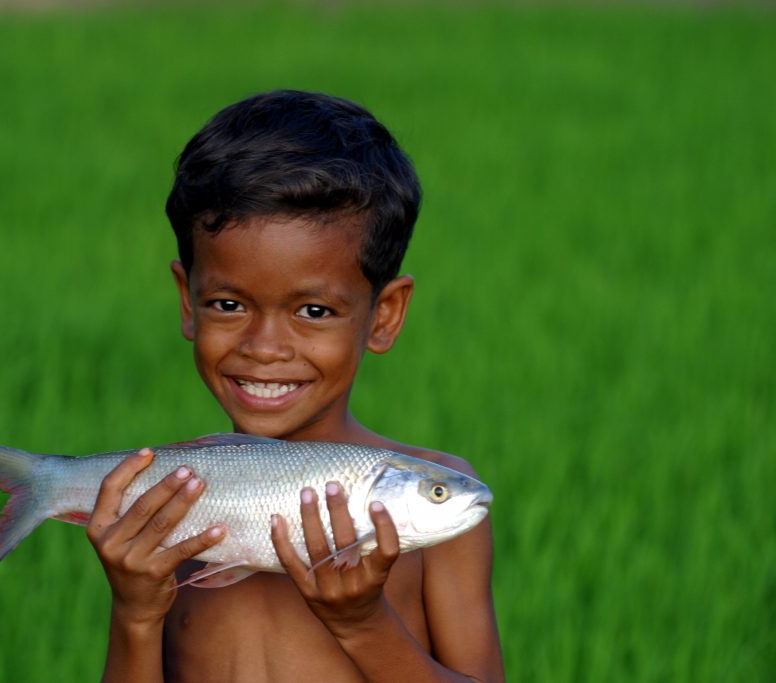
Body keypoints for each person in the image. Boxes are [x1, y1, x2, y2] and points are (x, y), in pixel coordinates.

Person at [85, 90, 504, 682]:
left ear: (383, 315)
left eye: (313, 311)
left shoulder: (440, 504)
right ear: (188, 302)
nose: (265, 347)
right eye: (228, 304)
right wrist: (134, 612)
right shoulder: (172, 498)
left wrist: (363, 623)